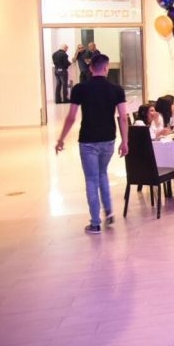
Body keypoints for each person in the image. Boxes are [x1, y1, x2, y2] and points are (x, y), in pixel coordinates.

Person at [55, 53, 128, 234]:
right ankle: (109, 212)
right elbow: (123, 117)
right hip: (108, 139)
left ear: (90, 68)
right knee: (102, 173)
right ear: (106, 68)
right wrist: (125, 141)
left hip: (88, 140)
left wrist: (61, 139)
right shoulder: (116, 89)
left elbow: (71, 117)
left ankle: (95, 223)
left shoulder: (80, 89)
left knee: (91, 179)